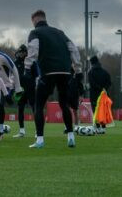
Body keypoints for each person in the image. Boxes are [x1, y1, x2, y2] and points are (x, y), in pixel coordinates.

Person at [25, 10, 82, 149]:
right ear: (45, 18)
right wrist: (78, 69)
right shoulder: (60, 33)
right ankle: (71, 137)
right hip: (65, 72)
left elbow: (33, 50)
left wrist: (27, 68)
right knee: (64, 105)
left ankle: (40, 140)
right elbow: (73, 49)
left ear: (34, 20)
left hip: (48, 72)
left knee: (39, 106)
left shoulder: (35, 32)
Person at [13, 44, 38, 138]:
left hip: (31, 88)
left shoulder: (32, 62)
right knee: (20, 109)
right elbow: (13, 76)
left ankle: (37, 131)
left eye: (21, 52)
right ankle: (22, 131)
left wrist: (35, 86)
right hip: (20, 89)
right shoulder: (16, 62)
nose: (19, 54)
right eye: (19, 52)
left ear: (25, 53)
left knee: (34, 109)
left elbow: (36, 75)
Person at [87, 56, 111, 134]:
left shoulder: (90, 72)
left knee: (95, 111)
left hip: (94, 94)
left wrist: (100, 88)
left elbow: (92, 84)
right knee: (102, 110)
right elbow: (109, 82)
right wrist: (104, 89)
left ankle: (97, 127)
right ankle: (103, 128)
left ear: (91, 63)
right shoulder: (105, 72)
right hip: (103, 94)